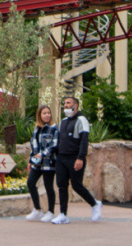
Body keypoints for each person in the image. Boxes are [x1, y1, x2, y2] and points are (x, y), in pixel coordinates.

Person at [50, 96, 101, 224]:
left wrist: (80, 158)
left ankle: (94, 204)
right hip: (62, 158)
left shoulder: (82, 120)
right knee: (61, 185)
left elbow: (84, 141)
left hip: (75, 158)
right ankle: (63, 214)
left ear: (75, 106)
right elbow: (59, 140)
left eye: (68, 103)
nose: (66, 105)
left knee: (77, 185)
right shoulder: (63, 121)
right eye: (65, 103)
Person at [25, 105, 58, 222]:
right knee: (30, 182)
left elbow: (54, 145)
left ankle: (51, 212)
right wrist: (31, 160)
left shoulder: (54, 128)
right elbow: (34, 145)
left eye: (48, 113)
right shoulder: (36, 129)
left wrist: (42, 154)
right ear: (39, 115)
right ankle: (37, 209)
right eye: (44, 113)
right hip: (37, 163)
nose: (47, 115)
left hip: (49, 162)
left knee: (49, 186)